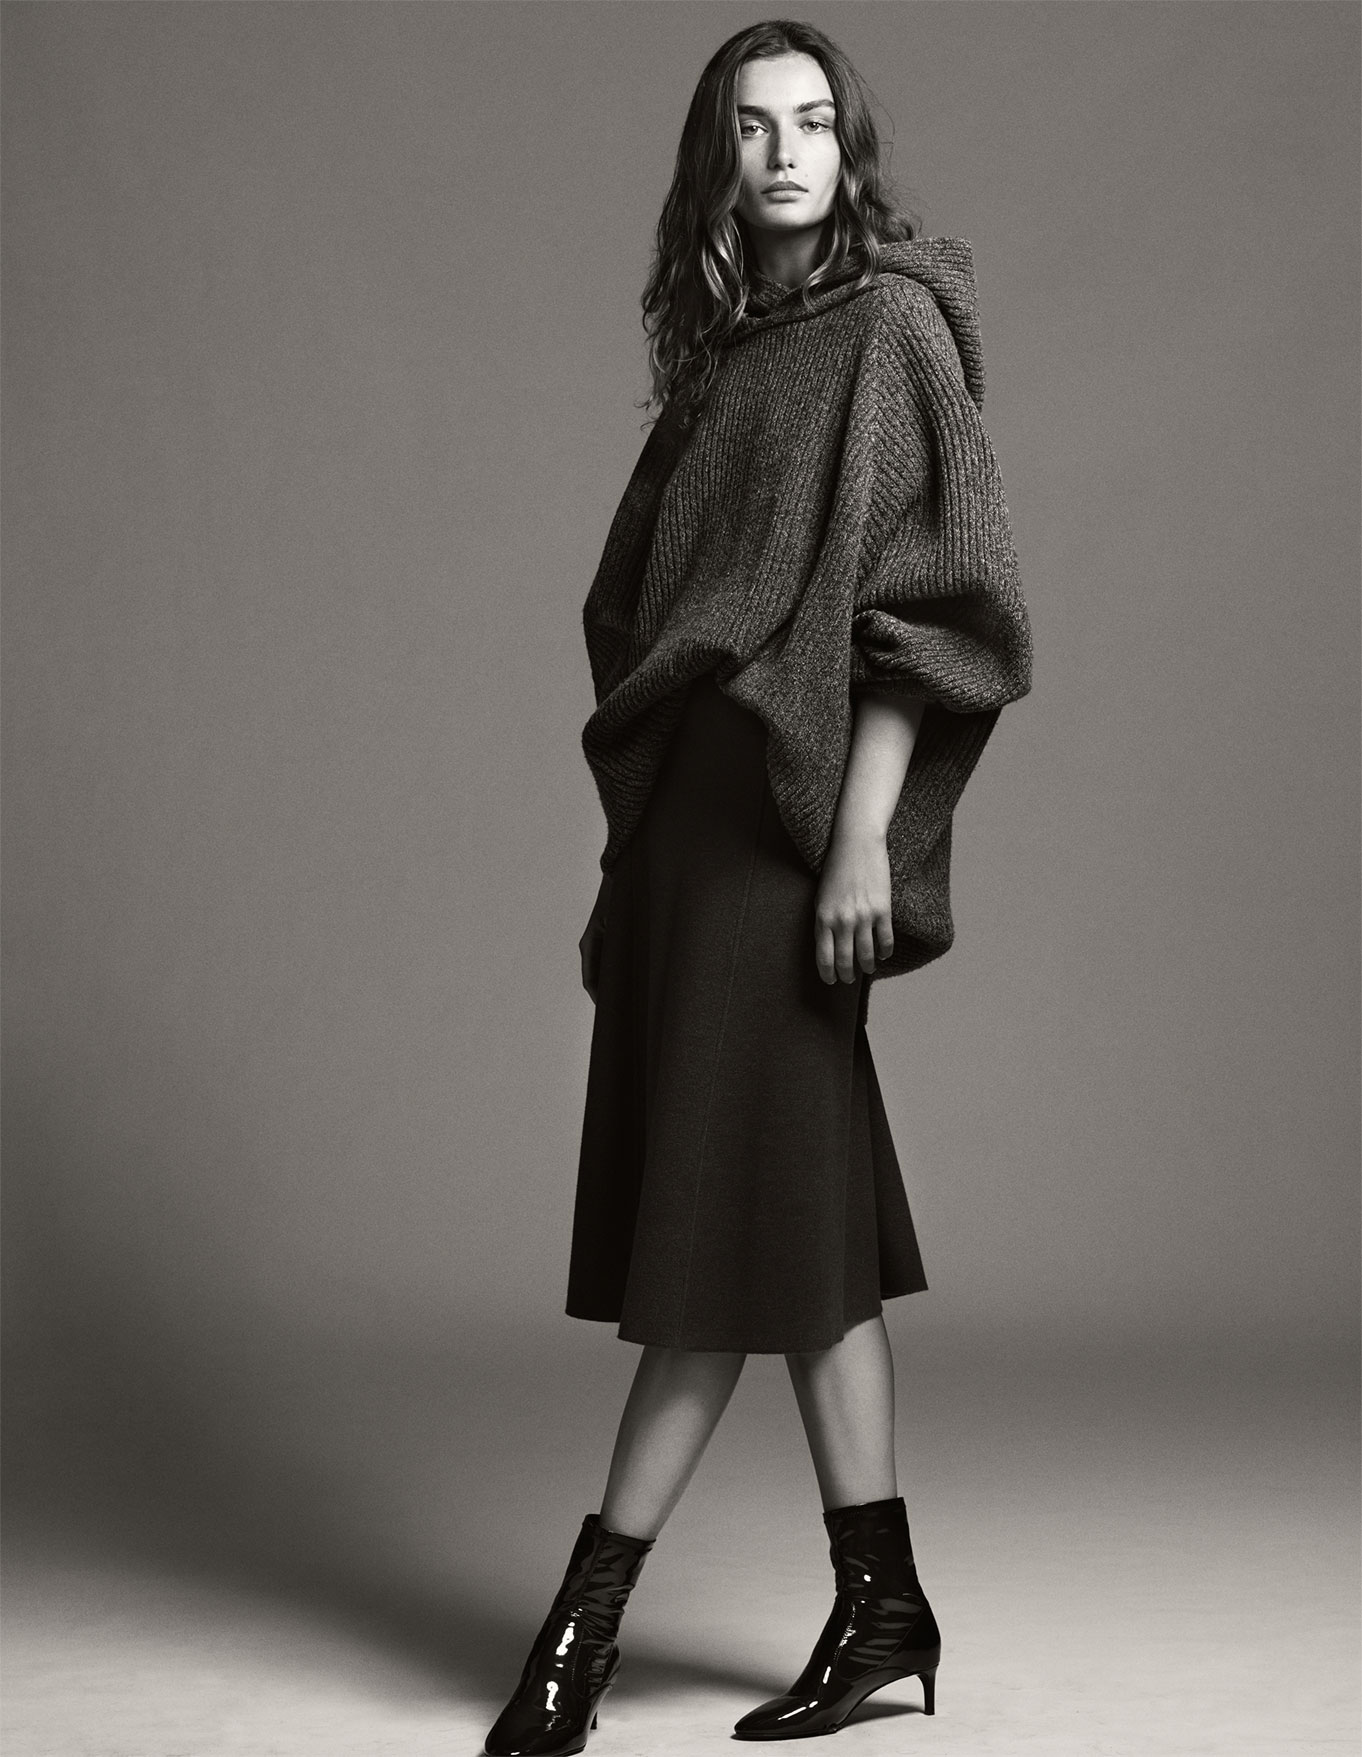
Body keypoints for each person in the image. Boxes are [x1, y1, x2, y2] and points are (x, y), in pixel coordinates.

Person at [483, 18, 1033, 1755]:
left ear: (847, 147)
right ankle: (882, 1604)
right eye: (750, 124)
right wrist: (630, 850)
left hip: (787, 843)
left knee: (716, 1235)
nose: (784, 151)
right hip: (686, 840)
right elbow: (639, 613)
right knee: (797, 1225)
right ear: (713, 156)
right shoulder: (728, 357)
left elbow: (934, 607)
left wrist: (861, 833)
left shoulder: (888, 331)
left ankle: (581, 1625)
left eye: (810, 122)